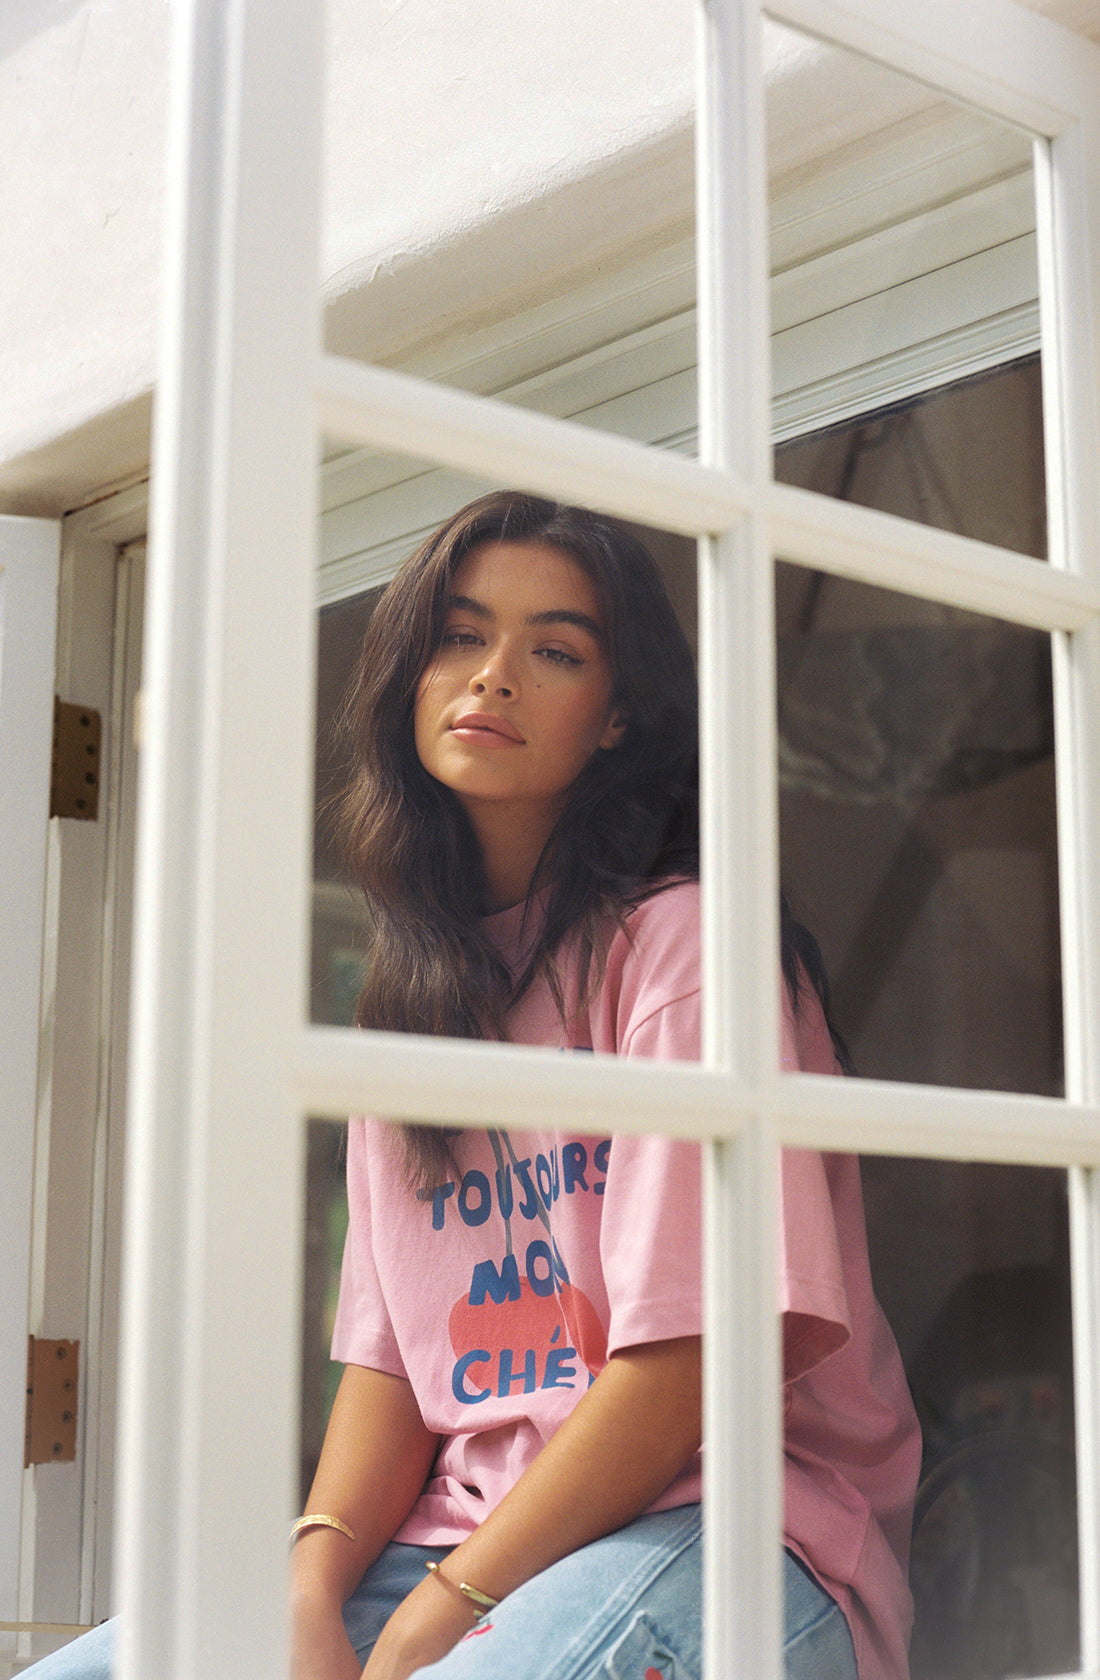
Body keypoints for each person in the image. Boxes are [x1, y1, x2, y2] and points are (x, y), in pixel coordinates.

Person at [22, 492, 920, 1680]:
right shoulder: (405, 1005)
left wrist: (430, 1621)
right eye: (459, 637)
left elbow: (688, 1370)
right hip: (462, 1543)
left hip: (732, 1534)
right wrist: (308, 1586)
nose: (492, 676)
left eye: (553, 651)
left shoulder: (684, 948)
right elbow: (391, 1366)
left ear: (615, 718)